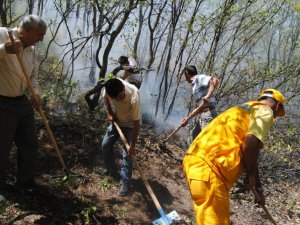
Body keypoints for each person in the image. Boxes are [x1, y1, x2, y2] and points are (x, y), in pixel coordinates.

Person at [182, 88, 285, 225]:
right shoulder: (265, 111)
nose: (275, 118)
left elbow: (250, 152)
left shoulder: (240, 111)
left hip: (196, 164)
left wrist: (258, 186)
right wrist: (251, 175)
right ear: (277, 107)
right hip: (210, 170)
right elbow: (250, 144)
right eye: (277, 114)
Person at [0, 15, 47, 201]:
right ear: (25, 31)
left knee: (29, 143)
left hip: (22, 102)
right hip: (2, 102)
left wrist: (35, 93)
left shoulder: (32, 50)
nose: (42, 38)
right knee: (2, 147)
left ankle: (25, 182)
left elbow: (33, 76)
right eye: (39, 34)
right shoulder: (3, 35)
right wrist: (5, 50)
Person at [101, 78, 141, 197]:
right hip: (117, 121)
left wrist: (132, 146)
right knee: (105, 145)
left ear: (123, 89)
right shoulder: (110, 88)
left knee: (127, 154)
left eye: (119, 97)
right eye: (115, 98)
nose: (117, 100)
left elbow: (137, 123)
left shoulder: (134, 95)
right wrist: (111, 113)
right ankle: (111, 170)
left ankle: (125, 182)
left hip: (130, 125)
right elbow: (106, 99)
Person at [180, 65, 219, 144]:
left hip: (208, 115)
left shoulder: (198, 78)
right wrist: (187, 119)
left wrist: (208, 95)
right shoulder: (195, 87)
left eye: (185, 75)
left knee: (205, 142)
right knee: (192, 139)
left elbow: (214, 79)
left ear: (187, 74)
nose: (185, 78)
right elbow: (198, 109)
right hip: (202, 116)